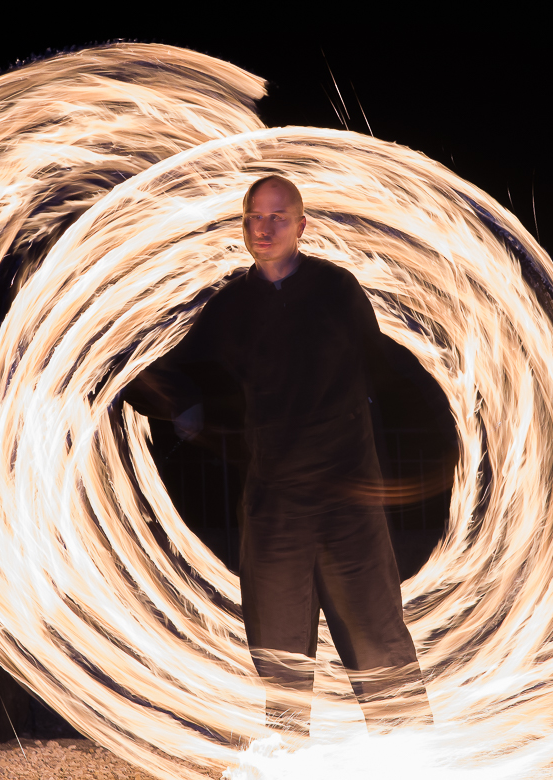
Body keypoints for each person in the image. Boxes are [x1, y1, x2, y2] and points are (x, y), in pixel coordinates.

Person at [125, 174, 449, 737]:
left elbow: (381, 365)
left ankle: (410, 759)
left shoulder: (336, 290)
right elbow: (171, 364)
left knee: (379, 642)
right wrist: (183, 403)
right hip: (276, 504)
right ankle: (288, 762)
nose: (264, 226)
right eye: (254, 215)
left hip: (349, 498)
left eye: (278, 216)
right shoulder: (232, 304)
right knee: (278, 651)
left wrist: (443, 412)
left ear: (302, 226)